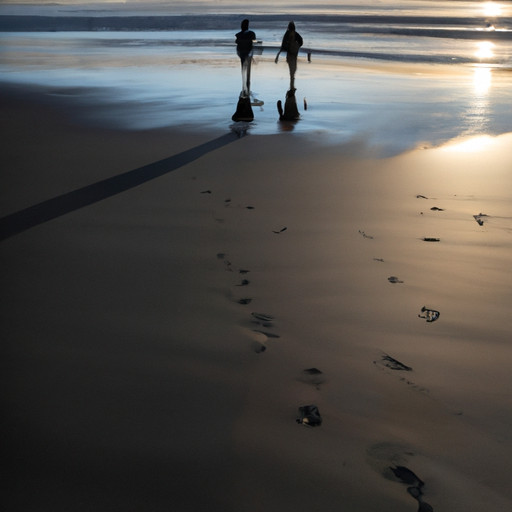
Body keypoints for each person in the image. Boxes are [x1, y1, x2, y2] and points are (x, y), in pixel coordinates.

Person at [275, 21, 303, 88]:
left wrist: (277, 56)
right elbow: (301, 41)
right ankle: (292, 82)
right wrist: (297, 46)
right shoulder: (296, 34)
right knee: (294, 67)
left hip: (290, 53)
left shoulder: (287, 33)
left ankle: (292, 80)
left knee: (291, 67)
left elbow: (283, 44)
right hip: (294, 53)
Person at [235, 19, 256, 97]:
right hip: (248, 53)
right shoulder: (251, 33)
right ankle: (247, 88)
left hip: (242, 53)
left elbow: (236, 42)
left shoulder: (239, 35)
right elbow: (254, 40)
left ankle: (244, 88)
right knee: (248, 71)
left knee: (243, 69)